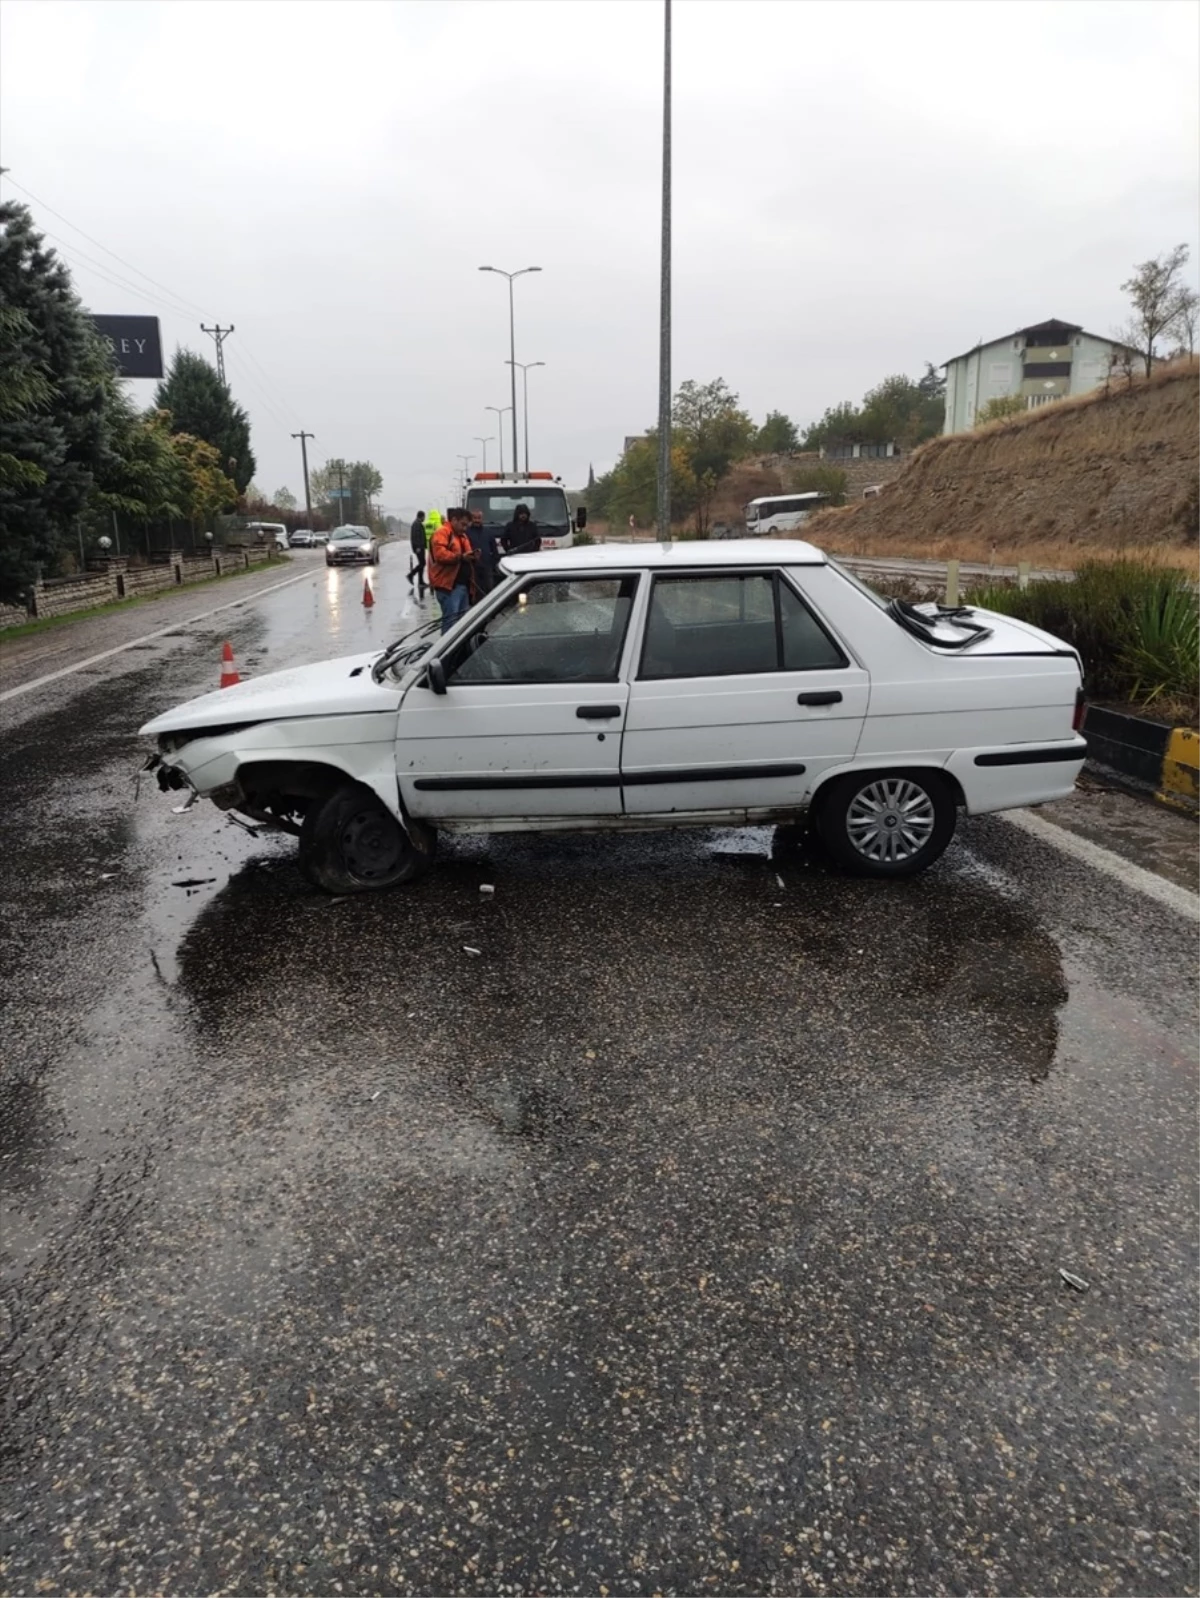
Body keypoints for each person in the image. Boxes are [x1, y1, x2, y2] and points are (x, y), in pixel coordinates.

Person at [428, 507, 476, 632]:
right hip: (448, 587)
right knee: (451, 625)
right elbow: (440, 554)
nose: (465, 528)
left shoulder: (462, 536)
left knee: (461, 624)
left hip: (462, 586)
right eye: (463, 524)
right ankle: (447, 650)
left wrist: (473, 556)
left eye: (467, 526)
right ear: (454, 520)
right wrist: (460, 557)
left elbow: (467, 553)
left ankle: (459, 649)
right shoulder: (443, 533)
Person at [467, 508, 500, 596]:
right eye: (474, 518)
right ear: (471, 519)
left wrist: (493, 563)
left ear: (482, 519)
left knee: (489, 590)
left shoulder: (488, 532)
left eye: (479, 518)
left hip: (487, 567)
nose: (477, 520)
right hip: (472, 568)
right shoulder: (466, 532)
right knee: (474, 592)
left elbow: (494, 550)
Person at [408, 511, 427, 594]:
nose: (424, 518)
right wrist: (418, 547)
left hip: (421, 547)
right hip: (419, 548)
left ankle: (421, 581)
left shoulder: (418, 523)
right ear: (421, 516)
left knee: (422, 563)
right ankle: (411, 575)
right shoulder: (416, 524)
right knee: (422, 563)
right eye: (424, 517)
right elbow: (415, 537)